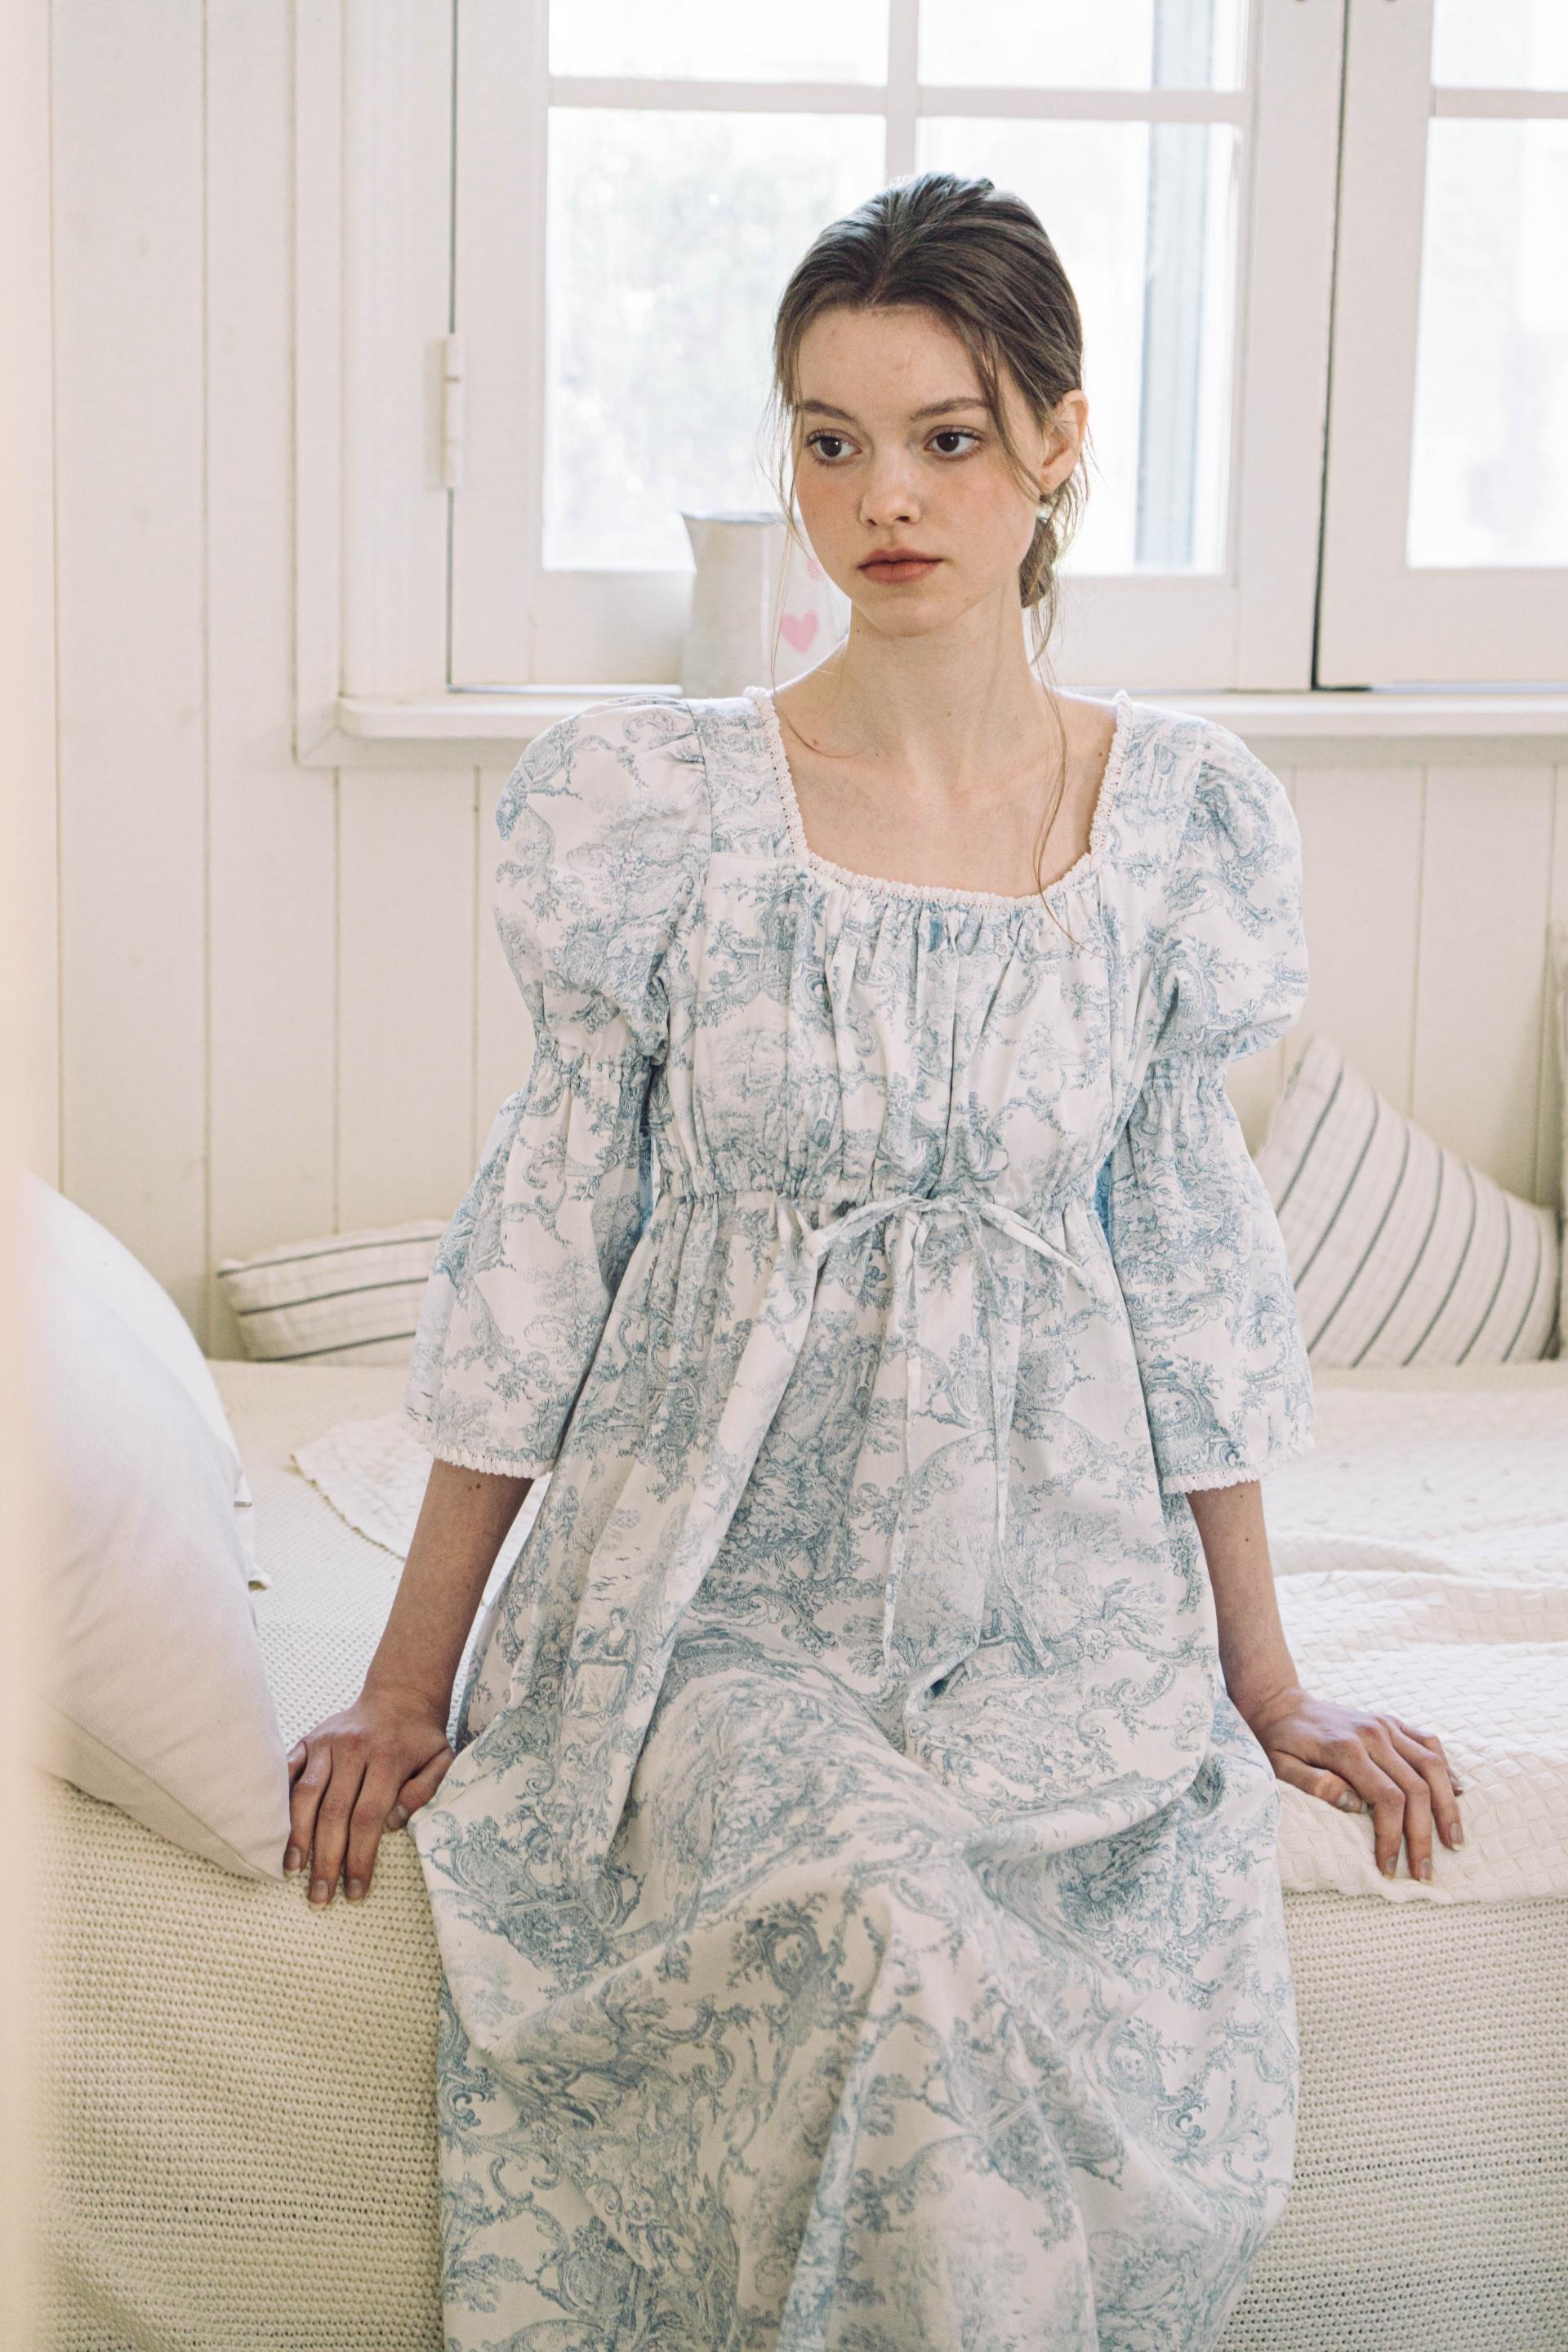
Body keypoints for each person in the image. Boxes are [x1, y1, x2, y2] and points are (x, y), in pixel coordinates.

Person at [284, 172, 1463, 2349]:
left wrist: (1271, 1684)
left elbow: (1192, 1288)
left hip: (1057, 1612)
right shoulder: (660, 816)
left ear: (1058, 446)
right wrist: (402, 1680)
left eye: (946, 437)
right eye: (830, 441)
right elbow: (546, 1261)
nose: (883, 499)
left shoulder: (1174, 830)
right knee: (878, 1919)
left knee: (1033, 1946)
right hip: (712, 1603)